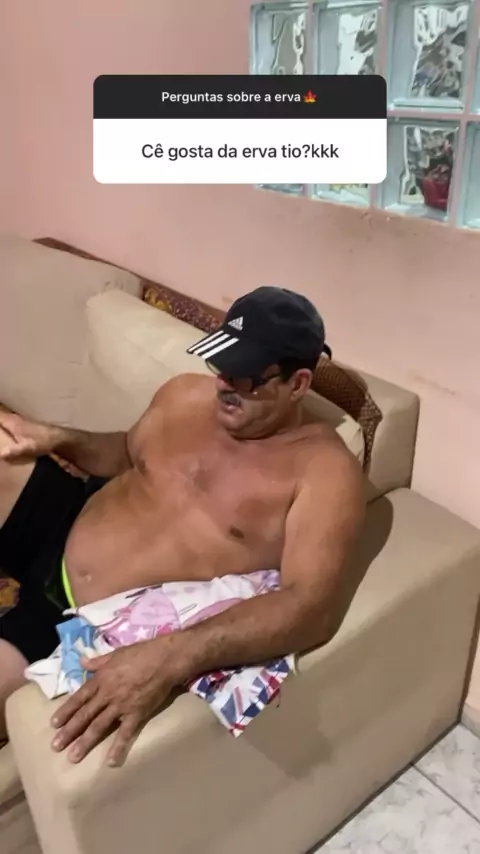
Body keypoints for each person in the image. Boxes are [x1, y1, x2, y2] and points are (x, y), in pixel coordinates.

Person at [0, 286, 365, 765]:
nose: (225, 385)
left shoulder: (324, 473)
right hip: (69, 519)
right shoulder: (184, 395)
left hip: (86, 625)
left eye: (246, 376)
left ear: (297, 384)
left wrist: (172, 657)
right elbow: (126, 452)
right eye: (221, 364)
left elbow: (310, 607)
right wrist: (56, 437)